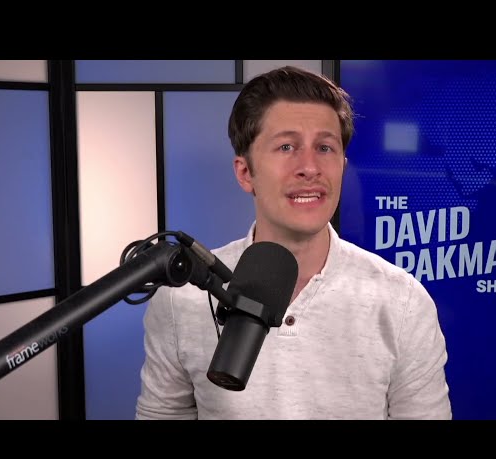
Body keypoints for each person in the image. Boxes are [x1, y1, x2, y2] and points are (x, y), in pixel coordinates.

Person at [135, 65, 452, 420]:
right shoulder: (182, 299)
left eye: (325, 148)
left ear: (343, 166)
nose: (310, 167)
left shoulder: (402, 302)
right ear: (245, 172)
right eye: (286, 146)